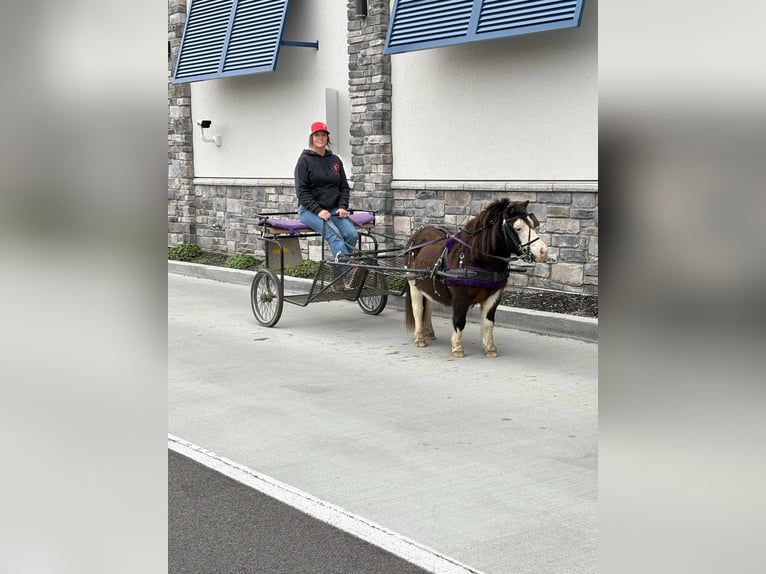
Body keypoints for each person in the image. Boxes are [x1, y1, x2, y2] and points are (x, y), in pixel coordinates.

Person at [294, 121, 359, 267]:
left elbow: (344, 187)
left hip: (334, 209)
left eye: (323, 135)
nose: (320, 138)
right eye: (317, 135)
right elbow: (302, 192)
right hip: (310, 210)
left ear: (327, 138)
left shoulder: (335, 160)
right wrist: (319, 210)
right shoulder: (304, 161)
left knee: (351, 234)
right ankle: (348, 271)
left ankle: (340, 275)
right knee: (335, 236)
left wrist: (342, 206)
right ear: (311, 138)